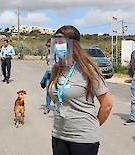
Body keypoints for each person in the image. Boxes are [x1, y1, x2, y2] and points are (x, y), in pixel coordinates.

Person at [48, 25, 113, 155]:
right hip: (59, 134)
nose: (57, 46)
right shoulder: (57, 68)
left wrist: (92, 126)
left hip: (83, 138)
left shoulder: (87, 70)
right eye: (55, 42)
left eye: (60, 42)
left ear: (73, 44)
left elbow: (107, 104)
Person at [40, 38, 52, 114]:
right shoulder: (48, 52)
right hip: (49, 73)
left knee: (57, 91)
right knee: (48, 91)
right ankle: (47, 107)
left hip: (57, 74)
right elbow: (47, 61)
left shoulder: (59, 53)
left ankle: (58, 107)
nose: (48, 46)